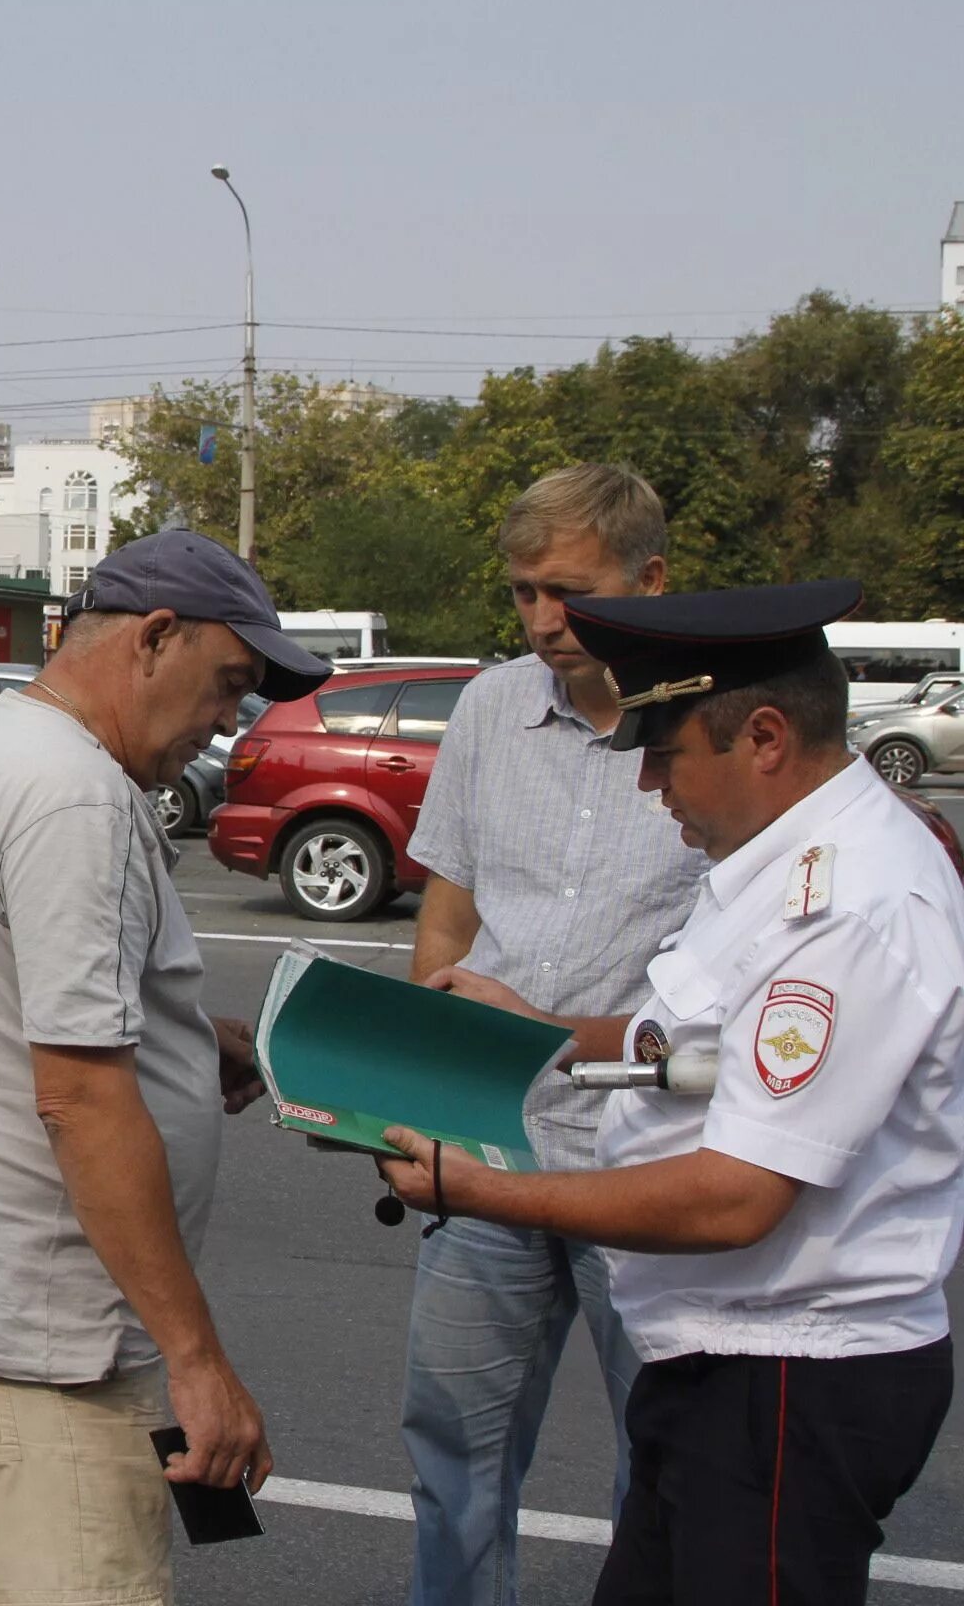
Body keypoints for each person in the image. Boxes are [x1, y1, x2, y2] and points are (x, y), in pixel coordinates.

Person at [377, 579, 964, 1605]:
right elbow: (691, 1049)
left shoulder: (845, 906)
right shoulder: (780, 869)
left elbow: (736, 1196)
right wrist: (539, 1032)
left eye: (664, 751)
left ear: (767, 737)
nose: (650, 785)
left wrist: (472, 1189)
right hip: (722, 1368)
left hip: (785, 1381)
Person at [0, 530, 331, 1604]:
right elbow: (78, 1096)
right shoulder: (75, 797)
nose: (229, 724)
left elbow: (21, 1009)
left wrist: (174, 1036)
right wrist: (197, 1360)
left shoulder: (2, 746)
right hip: (48, 1367)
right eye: (228, 685)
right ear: (155, 638)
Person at [397, 464, 707, 1606]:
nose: (540, 622)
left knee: (668, 1461)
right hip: (490, 1144)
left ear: (653, 580)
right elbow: (452, 902)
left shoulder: (710, 721)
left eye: (565, 592)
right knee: (454, 1454)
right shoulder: (490, 707)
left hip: (653, 1156)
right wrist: (430, 1023)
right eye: (523, 592)